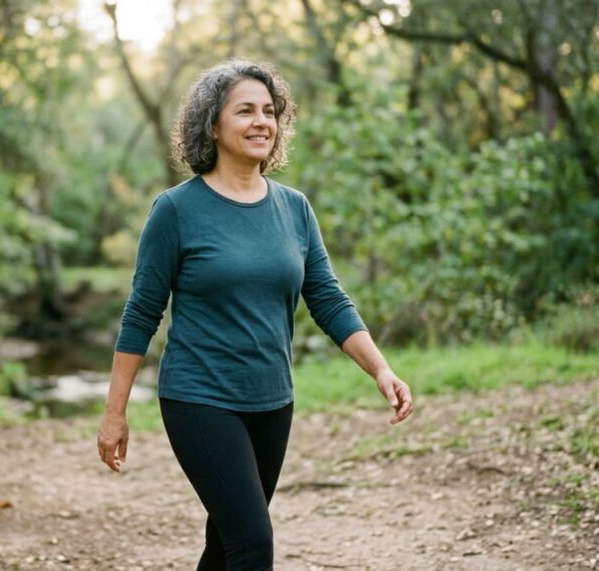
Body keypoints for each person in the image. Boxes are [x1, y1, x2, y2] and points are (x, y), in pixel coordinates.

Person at [96, 59, 413, 570]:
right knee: (252, 543)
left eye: (269, 111)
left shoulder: (295, 209)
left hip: (272, 400)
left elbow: (328, 299)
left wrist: (381, 369)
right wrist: (115, 413)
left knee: (226, 544)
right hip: (199, 398)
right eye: (244, 111)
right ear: (212, 126)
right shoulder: (176, 210)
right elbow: (141, 315)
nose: (261, 121)